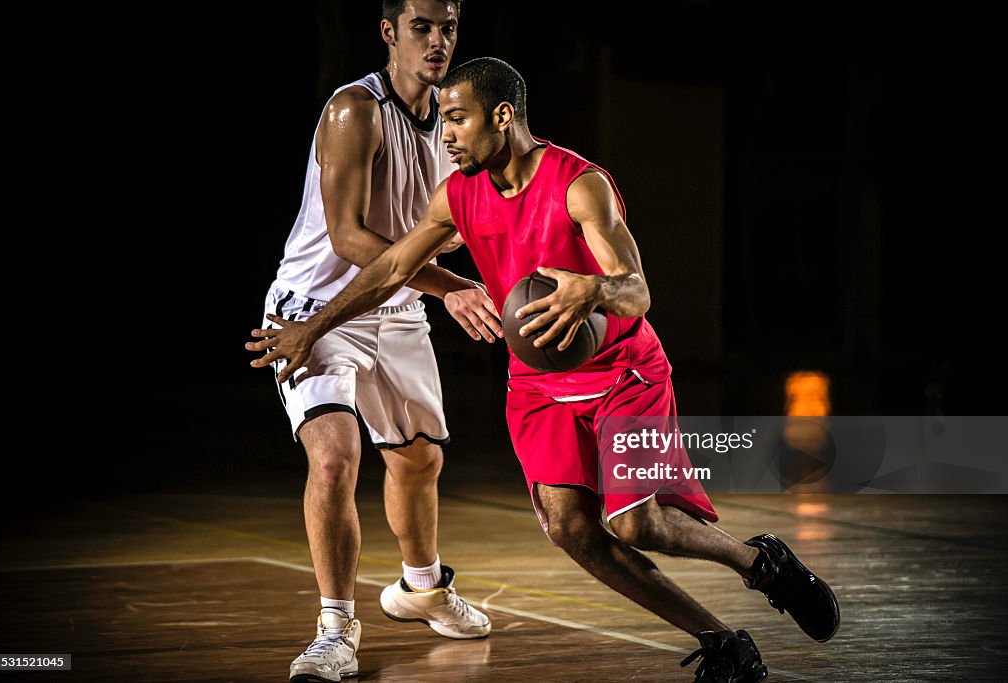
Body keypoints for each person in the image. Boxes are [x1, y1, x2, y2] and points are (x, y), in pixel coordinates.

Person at [248, 57, 840, 683]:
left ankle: (761, 564)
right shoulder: (457, 194)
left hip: (622, 371)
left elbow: (638, 292)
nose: (445, 136)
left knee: (635, 521)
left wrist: (594, 290)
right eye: (442, 121)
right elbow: (391, 270)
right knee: (570, 530)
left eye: (457, 120)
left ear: (502, 117)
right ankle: (721, 642)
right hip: (536, 385)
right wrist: (313, 326)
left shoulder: (580, 184)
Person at [256, 4, 498, 682]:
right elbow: (351, 238)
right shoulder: (353, 110)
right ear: (389, 32)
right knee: (335, 459)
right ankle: (335, 628)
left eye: (449, 27)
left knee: (419, 461)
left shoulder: (457, 124)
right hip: (318, 309)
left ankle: (420, 588)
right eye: (422, 26)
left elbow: (450, 221)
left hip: (397, 307)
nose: (438, 41)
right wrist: (452, 285)